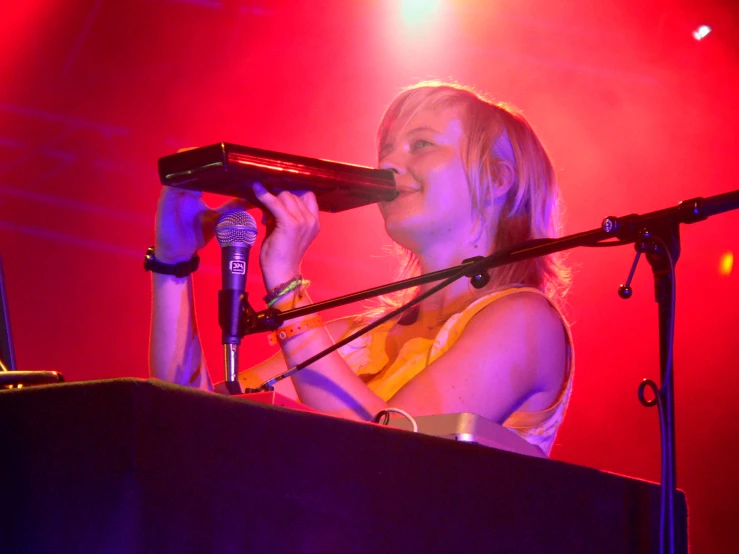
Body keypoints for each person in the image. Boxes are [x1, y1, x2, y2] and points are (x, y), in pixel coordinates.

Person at [149, 81, 573, 456]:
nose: (388, 164)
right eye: (386, 150)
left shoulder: (525, 320)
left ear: (498, 179)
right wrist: (172, 264)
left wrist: (286, 282)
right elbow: (194, 420)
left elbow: (389, 452)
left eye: (421, 144)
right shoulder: (359, 336)